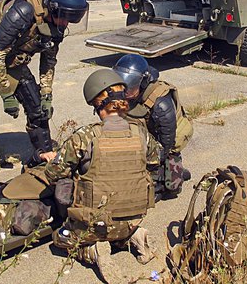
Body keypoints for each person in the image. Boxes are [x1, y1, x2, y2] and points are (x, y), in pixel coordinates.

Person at [34, 69, 160, 283]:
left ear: (97, 104)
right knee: (121, 227)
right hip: (132, 219)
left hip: (95, 226)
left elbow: (54, 173)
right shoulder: (141, 133)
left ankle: (94, 252)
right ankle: (135, 237)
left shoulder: (85, 137)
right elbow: (154, 162)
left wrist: (56, 159)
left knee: (60, 239)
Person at [0, 0, 88, 164]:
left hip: (13, 60)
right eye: (65, 18)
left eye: (71, 19)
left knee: (38, 111)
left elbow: (49, 60)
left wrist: (46, 94)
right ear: (53, 8)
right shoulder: (23, 11)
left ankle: (46, 157)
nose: (66, 23)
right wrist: (6, 94)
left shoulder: (56, 23)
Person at [112, 54, 193, 199]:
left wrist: (146, 165)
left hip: (164, 141)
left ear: (142, 83)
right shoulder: (128, 93)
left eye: (129, 88)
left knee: (169, 188)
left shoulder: (161, 104)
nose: (124, 93)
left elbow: (166, 144)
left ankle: (176, 174)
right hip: (144, 134)